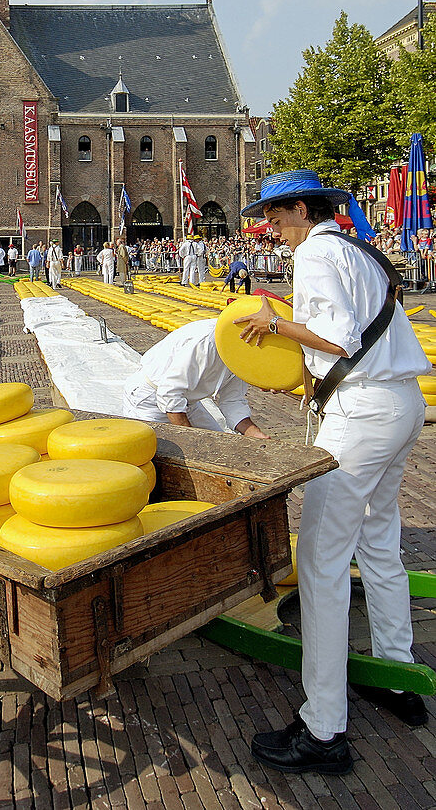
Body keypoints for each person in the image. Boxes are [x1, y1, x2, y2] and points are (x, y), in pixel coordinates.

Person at [237, 170, 430, 776]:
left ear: (301, 209)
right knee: (380, 540)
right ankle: (395, 677)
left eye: (274, 215)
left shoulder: (317, 251)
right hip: (402, 405)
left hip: (362, 413)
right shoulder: (357, 249)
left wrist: (274, 324)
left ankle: (324, 729)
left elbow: (338, 338)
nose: (269, 228)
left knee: (320, 563)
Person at [122, 318, 268, 437]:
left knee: (216, 445)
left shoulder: (246, 352)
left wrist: (256, 435)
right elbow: (169, 394)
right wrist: (191, 439)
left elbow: (232, 401)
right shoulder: (207, 342)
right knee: (154, 456)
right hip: (149, 399)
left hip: (186, 401)